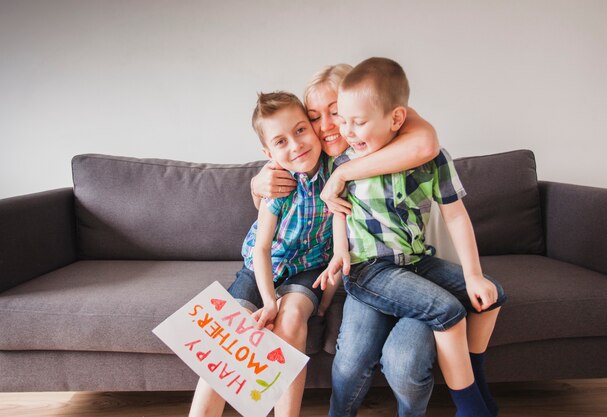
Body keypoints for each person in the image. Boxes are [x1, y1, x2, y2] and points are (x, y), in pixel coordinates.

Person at [315, 57, 507, 417]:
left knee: (491, 295)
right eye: (345, 121)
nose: (348, 132)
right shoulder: (343, 166)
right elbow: (338, 215)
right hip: (368, 270)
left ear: (396, 119)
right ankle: (471, 408)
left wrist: (474, 275)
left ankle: (478, 383)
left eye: (358, 123)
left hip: (415, 262)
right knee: (447, 311)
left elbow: (456, 215)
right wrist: (340, 254)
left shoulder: (431, 157)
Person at [252, 64, 442, 417]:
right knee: (350, 360)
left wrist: (343, 173)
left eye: (335, 113)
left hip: (413, 270)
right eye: (314, 117)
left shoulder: (387, 138)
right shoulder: (316, 157)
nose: (325, 126)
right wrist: (256, 184)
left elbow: (427, 142)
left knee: (405, 366)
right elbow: (283, 188)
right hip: (362, 277)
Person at [188, 91, 339, 417]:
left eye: (300, 130)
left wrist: (305, 304)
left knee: (292, 318)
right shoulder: (277, 181)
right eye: (281, 141)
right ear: (268, 152)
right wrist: (269, 300)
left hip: (309, 267)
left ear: (313, 128)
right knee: (229, 332)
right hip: (262, 265)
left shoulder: (336, 168)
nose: (296, 145)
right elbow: (262, 249)